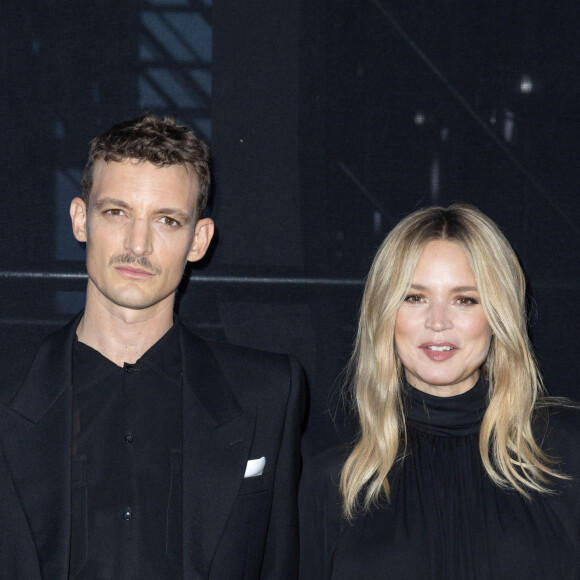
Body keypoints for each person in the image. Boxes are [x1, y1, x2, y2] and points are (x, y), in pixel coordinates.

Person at [0, 113, 305, 579]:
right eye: (116, 212)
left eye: (166, 219)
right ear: (81, 219)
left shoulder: (267, 393)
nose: (138, 244)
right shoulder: (6, 392)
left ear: (198, 239)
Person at [299, 204, 580, 579]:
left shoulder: (565, 455)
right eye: (414, 297)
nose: (437, 323)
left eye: (465, 299)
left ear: (499, 316)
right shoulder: (335, 478)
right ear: (384, 312)